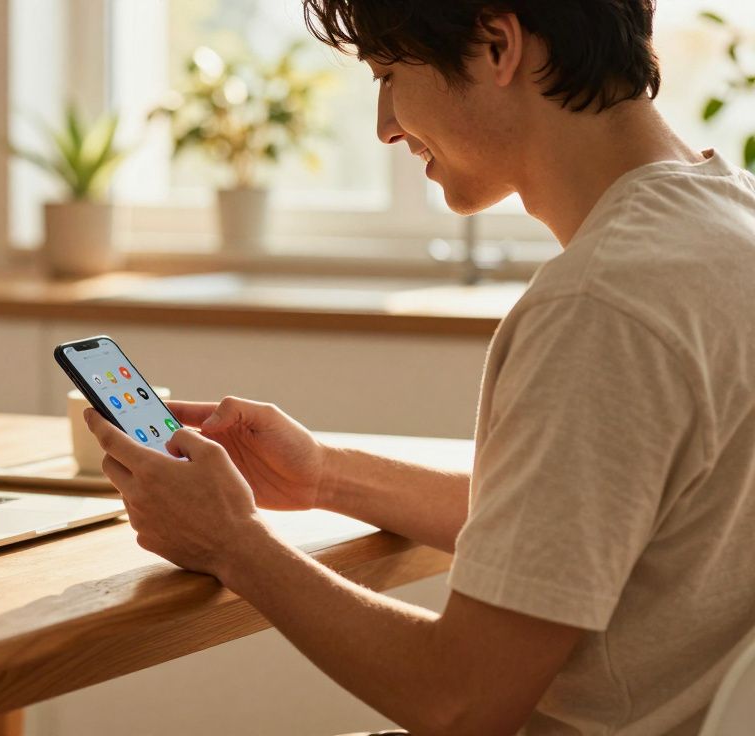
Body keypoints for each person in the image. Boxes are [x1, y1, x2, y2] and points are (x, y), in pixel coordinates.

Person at [85, 1, 755, 734]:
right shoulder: (727, 226)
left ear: (497, 44)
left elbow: (462, 701)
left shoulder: (603, 305)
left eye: (389, 75)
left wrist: (233, 544)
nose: (384, 126)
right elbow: (578, 526)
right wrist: (324, 476)